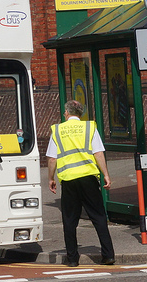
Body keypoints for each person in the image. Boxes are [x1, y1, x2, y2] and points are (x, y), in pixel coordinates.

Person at [47, 99, 115, 267]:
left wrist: (51, 178)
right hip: (88, 178)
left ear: (67, 113)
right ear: (81, 113)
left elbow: (52, 159)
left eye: (65, 112)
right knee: (98, 216)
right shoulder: (89, 128)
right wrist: (106, 174)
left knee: (70, 220)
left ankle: (72, 259)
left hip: (69, 180)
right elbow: (98, 153)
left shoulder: (58, 130)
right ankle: (108, 255)